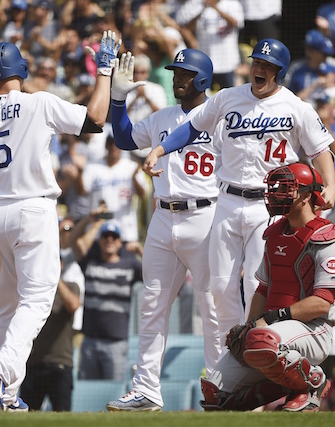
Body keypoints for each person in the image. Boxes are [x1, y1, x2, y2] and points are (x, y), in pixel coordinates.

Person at [0, 32, 121, 412]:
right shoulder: (37, 102)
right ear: (21, 69)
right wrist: (103, 71)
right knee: (39, 298)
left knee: (6, 306)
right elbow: (94, 120)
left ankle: (6, 397)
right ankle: (5, 367)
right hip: (32, 209)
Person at [143, 39, 335, 340]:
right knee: (219, 286)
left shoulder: (297, 107)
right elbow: (192, 128)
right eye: (257, 62)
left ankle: (253, 343)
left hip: (271, 205)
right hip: (228, 201)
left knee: (255, 285)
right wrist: (159, 149)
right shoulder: (228, 98)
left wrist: (332, 184)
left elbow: (321, 150)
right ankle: (231, 349)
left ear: (280, 72)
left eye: (268, 66)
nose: (259, 69)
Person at [104, 49, 219, 411]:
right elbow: (123, 139)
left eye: (184, 73)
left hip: (206, 216)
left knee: (212, 307)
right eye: (174, 72)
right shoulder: (162, 117)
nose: (176, 78)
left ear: (201, 78)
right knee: (152, 306)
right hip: (163, 216)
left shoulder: (219, 116)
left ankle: (221, 387)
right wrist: (117, 99)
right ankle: (146, 390)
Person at [199, 162, 335, 412]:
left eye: (286, 189)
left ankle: (311, 384)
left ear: (306, 196)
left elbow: (323, 301)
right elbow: (263, 290)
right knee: (214, 394)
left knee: (263, 339)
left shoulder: (328, 238)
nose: (277, 193)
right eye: (277, 188)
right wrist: (249, 327)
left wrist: (270, 319)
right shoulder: (275, 234)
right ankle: (288, 387)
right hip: (273, 333)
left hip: (314, 330)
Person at [71, 214, 142, 381]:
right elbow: (75, 240)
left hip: (116, 344)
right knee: (88, 395)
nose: (109, 240)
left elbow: (154, 274)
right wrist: (92, 220)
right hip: (89, 341)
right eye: (105, 236)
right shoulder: (90, 262)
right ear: (99, 240)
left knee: (113, 395)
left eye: (114, 237)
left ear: (120, 242)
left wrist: (139, 249)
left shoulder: (130, 264)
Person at [20, 255, 81, 412]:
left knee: (62, 415)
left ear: (61, 265)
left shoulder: (71, 286)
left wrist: (56, 280)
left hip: (60, 362)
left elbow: (74, 304)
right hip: (33, 363)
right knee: (27, 415)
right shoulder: (32, 290)